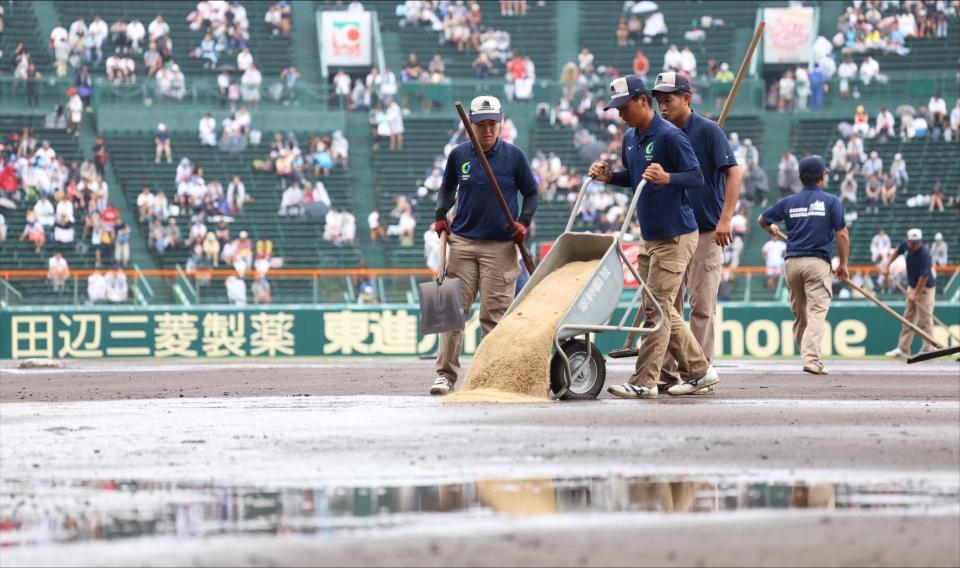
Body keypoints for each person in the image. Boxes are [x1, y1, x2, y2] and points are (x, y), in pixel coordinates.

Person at [588, 74, 716, 399]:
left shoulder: (671, 135)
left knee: (657, 308)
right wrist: (609, 177)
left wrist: (668, 177)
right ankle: (700, 371)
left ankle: (644, 381)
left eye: (624, 107)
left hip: (677, 234)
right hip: (650, 235)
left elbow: (696, 177)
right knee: (657, 307)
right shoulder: (630, 137)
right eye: (617, 109)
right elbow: (633, 177)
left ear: (643, 101)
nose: (621, 114)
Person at [430, 95, 539, 396]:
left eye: (493, 124)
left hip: (501, 247)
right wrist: (440, 215)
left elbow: (532, 193)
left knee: (494, 316)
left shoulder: (514, 156)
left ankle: (491, 376)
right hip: (462, 243)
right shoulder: (458, 155)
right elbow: (446, 188)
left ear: (501, 124)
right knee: (451, 313)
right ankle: (445, 375)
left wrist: (523, 222)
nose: (487, 130)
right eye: (481, 124)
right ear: (471, 125)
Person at [650, 72, 742, 393]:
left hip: (706, 231)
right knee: (666, 305)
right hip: (672, 232)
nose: (662, 106)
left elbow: (734, 173)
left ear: (686, 99)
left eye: (668, 99)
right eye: (659, 101)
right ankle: (666, 373)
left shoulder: (708, 131)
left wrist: (726, 218)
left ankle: (698, 374)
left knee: (701, 306)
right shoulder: (660, 133)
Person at [758, 156, 849, 375]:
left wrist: (771, 229)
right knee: (817, 311)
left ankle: (807, 355)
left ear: (800, 177)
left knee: (801, 314)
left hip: (792, 263)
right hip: (816, 262)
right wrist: (843, 264)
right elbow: (842, 234)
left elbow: (762, 219)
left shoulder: (789, 201)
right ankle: (811, 358)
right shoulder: (831, 201)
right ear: (822, 176)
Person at [882, 229, 937, 358]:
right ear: (908, 241)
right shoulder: (905, 245)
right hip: (912, 286)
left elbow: (924, 277)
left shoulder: (924, 254)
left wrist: (915, 294)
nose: (915, 245)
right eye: (913, 243)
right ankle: (903, 349)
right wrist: (886, 266)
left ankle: (928, 348)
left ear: (920, 241)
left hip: (925, 289)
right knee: (908, 318)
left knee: (925, 320)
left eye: (917, 243)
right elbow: (896, 253)